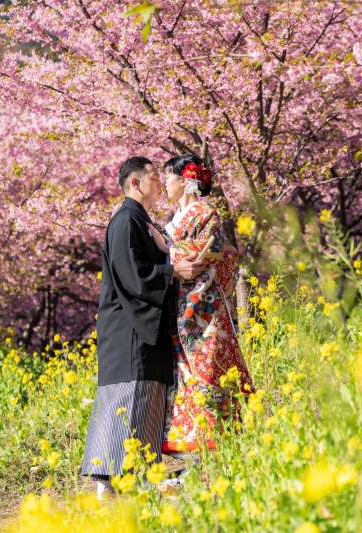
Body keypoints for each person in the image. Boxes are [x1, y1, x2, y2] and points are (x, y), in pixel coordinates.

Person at [80, 156, 203, 499]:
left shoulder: (141, 220)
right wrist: (172, 272)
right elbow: (133, 274)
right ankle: (108, 480)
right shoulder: (124, 221)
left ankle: (137, 478)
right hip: (129, 329)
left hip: (143, 326)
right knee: (126, 401)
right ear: (135, 183)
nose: (160, 181)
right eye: (152, 175)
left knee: (144, 401)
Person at [148, 154, 252, 459]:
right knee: (183, 374)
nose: (164, 183)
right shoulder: (174, 220)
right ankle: (188, 446)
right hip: (178, 307)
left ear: (184, 180)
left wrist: (164, 246)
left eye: (167, 177)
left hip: (203, 308)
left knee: (208, 370)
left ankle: (216, 443)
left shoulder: (206, 213)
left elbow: (208, 252)